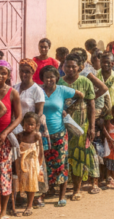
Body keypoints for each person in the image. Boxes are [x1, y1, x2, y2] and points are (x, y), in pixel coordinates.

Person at [61, 54, 107, 198]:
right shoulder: (59, 82)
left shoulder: (85, 82)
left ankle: (77, 189)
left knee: (79, 157)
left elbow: (91, 105)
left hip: (82, 125)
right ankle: (61, 189)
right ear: (63, 67)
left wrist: (92, 127)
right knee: (64, 156)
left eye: (73, 66)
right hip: (62, 125)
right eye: (67, 66)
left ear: (80, 68)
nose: (70, 69)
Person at [39, 65, 85, 207]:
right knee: (43, 165)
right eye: (47, 77)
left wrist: (67, 109)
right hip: (42, 134)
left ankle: (61, 196)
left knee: (62, 164)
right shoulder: (39, 90)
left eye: (52, 77)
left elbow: (80, 95)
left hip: (59, 132)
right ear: (43, 78)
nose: (49, 79)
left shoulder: (62, 90)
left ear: (57, 78)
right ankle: (42, 194)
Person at [0, 60, 23, 219]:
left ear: (9, 75)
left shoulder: (12, 93)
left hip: (4, 140)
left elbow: (19, 117)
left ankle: (4, 211)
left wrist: (6, 132)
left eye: (4, 73)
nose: (0, 75)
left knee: (3, 174)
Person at [14, 59, 47, 209]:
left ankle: (37, 196)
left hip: (31, 132)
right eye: (22, 71)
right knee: (19, 166)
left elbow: (39, 112)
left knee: (35, 165)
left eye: (27, 71)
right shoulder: (15, 88)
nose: (24, 74)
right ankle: (20, 195)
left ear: (33, 72)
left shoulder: (37, 90)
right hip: (16, 131)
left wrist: (34, 131)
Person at [17, 113, 44, 215]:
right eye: (27, 124)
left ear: (36, 125)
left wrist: (39, 165)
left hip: (32, 163)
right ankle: (18, 203)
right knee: (21, 183)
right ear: (23, 124)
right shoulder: (20, 135)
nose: (29, 126)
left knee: (31, 184)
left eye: (32, 124)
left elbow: (40, 151)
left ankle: (29, 206)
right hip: (21, 163)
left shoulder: (37, 136)